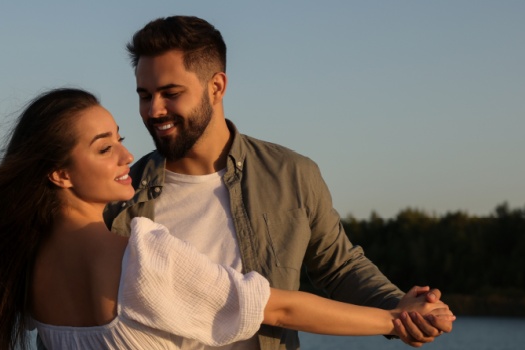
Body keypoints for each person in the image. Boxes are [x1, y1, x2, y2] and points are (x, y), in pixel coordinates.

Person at [0, 88, 453, 350]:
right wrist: (399, 321)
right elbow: (276, 308)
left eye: (119, 135)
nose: (125, 153)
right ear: (59, 173)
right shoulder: (138, 252)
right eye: (102, 146)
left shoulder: (26, 266)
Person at [101, 15, 455, 349]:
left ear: (217, 87)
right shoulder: (119, 191)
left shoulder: (292, 174)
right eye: (144, 96)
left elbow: (340, 268)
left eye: (170, 93)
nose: (154, 110)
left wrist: (400, 309)